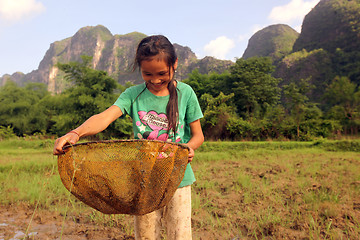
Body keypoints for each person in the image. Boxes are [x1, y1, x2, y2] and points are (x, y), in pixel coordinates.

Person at [53, 35, 204, 239]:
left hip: (179, 180)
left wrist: (189, 148)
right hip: (143, 182)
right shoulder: (133, 95)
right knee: (145, 236)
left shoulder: (186, 93)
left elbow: (198, 136)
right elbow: (105, 117)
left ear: (175, 64)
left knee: (180, 235)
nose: (155, 80)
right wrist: (75, 133)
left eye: (162, 73)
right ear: (140, 69)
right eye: (147, 74)